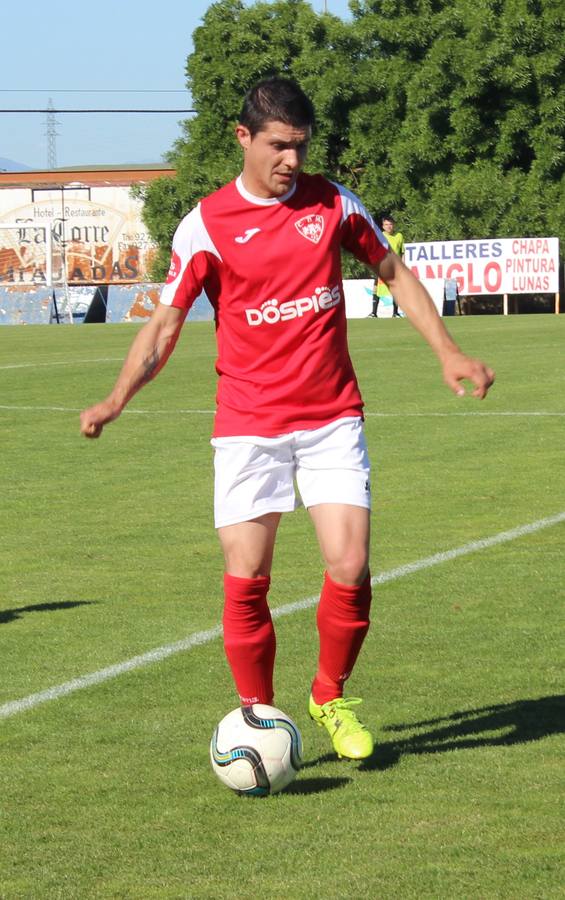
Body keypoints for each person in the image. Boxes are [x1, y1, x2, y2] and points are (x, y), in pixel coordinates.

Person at [80, 78, 494, 761]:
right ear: (242, 138)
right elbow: (164, 325)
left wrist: (447, 351)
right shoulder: (205, 224)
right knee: (246, 576)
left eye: (300, 147)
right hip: (248, 425)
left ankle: (328, 695)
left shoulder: (331, 203)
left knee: (351, 564)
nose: (291, 162)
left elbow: (392, 270)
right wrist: (116, 399)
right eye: (278, 146)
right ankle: (258, 717)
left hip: (332, 416)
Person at [369, 213, 404, 318]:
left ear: (394, 225)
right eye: (386, 224)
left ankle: (395, 313)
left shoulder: (399, 236)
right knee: (377, 288)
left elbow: (402, 252)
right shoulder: (380, 235)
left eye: (391, 224)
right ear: (383, 226)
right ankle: (374, 313)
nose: (389, 226)